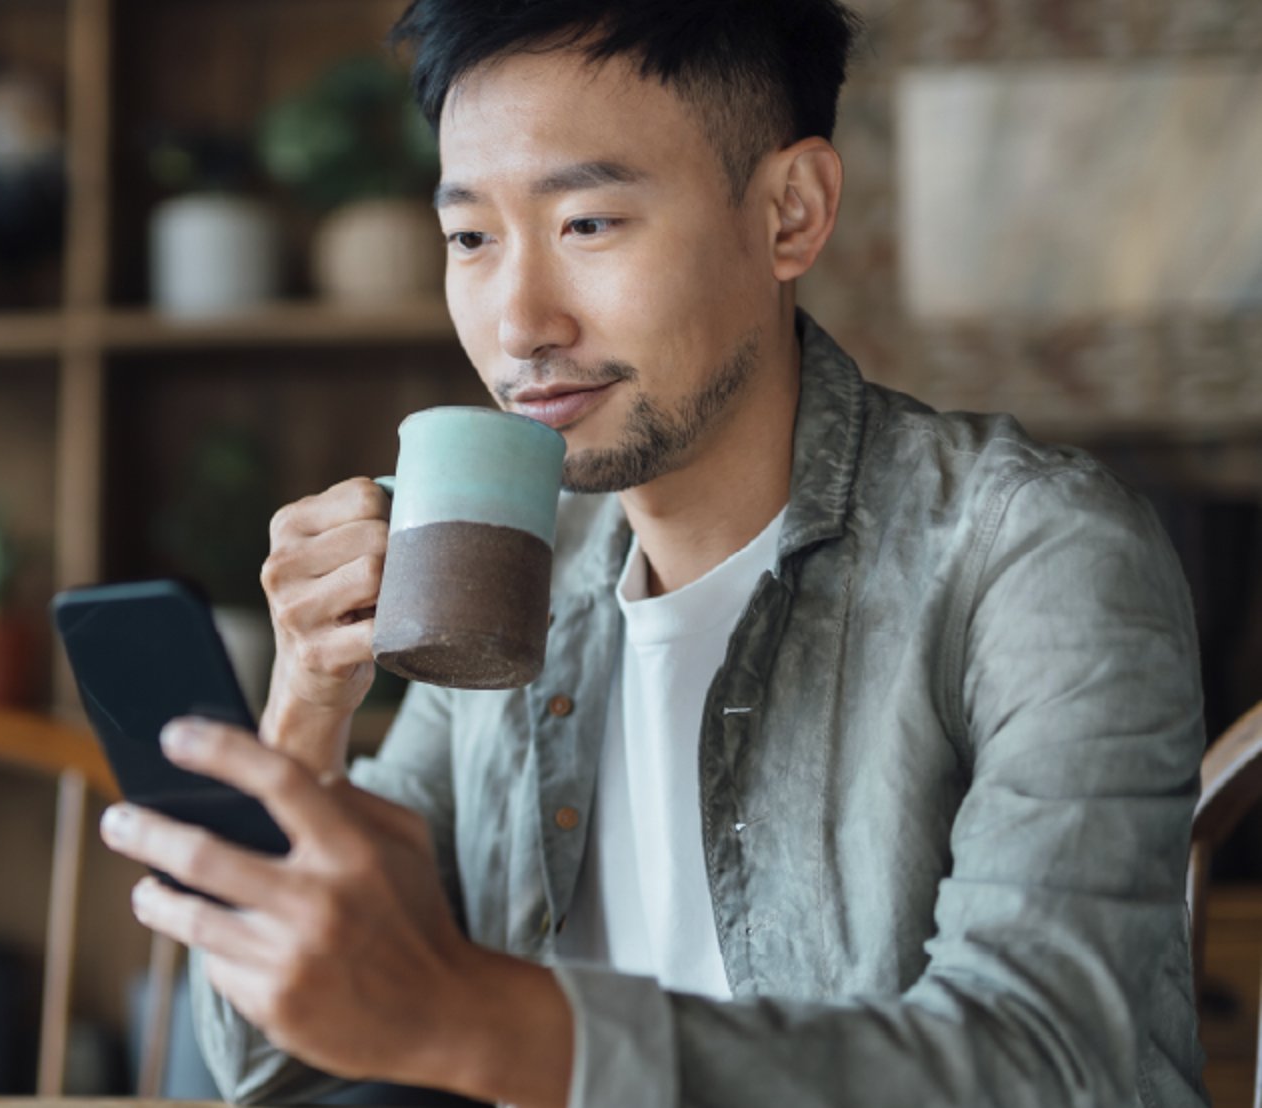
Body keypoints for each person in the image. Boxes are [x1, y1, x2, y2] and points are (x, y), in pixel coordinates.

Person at [98, 2, 1208, 1105]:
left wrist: (475, 1020)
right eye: (471, 237)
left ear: (791, 212)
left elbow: (1048, 1065)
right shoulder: (510, 572)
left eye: (587, 223)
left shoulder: (1034, 557)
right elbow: (266, 1066)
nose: (519, 321)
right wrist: (310, 712)